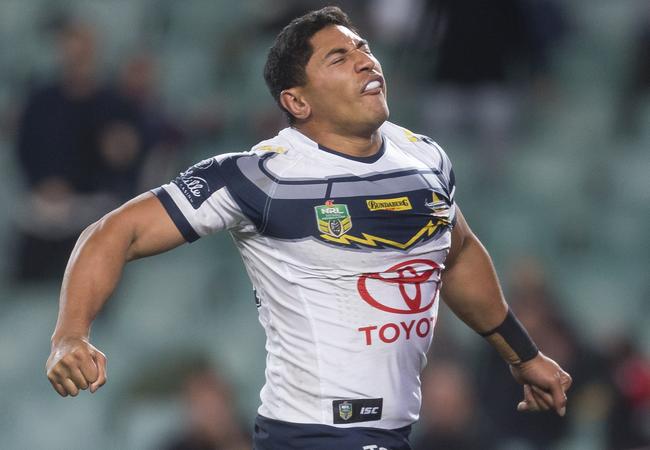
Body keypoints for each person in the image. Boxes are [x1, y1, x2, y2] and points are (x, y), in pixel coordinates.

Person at [45, 7, 572, 450]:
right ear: (297, 101)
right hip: (310, 435)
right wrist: (70, 335)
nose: (366, 59)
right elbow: (115, 232)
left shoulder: (425, 157)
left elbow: (456, 255)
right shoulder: (261, 175)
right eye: (339, 57)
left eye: (364, 47)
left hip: (394, 433)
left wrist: (522, 355)